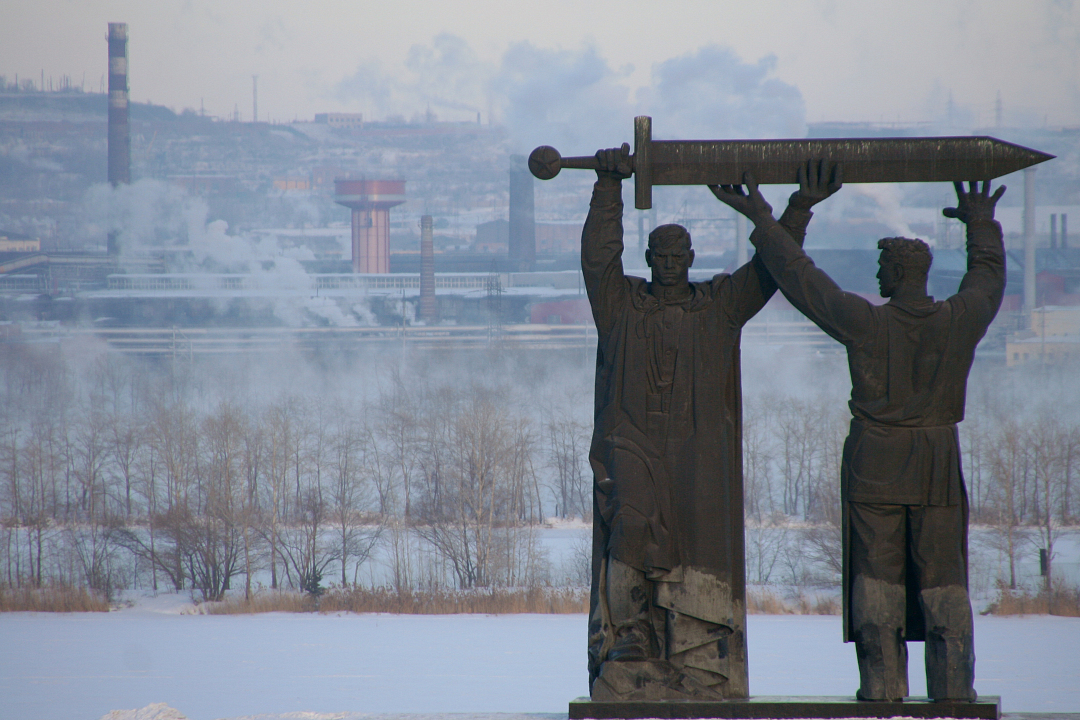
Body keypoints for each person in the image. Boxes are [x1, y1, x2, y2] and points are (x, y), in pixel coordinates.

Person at [712, 173, 1005, 703]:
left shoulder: (867, 324)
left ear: (896, 272)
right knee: (944, 579)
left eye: (881, 267)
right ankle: (954, 693)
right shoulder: (958, 321)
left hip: (877, 462)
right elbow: (987, 279)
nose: (876, 274)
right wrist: (980, 226)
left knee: (877, 580)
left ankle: (882, 689)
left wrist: (762, 219)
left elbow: (803, 281)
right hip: (936, 459)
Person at [582, 144, 839, 700]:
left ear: (691, 258)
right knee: (629, 528)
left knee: (697, 551)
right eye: (660, 257)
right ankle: (631, 641)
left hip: (697, 454)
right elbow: (597, 260)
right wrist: (608, 190)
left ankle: (696, 659)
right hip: (631, 440)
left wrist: (796, 211)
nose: (670, 266)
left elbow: (771, 272)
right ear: (648, 259)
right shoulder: (621, 304)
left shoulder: (719, 306)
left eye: (678, 258)